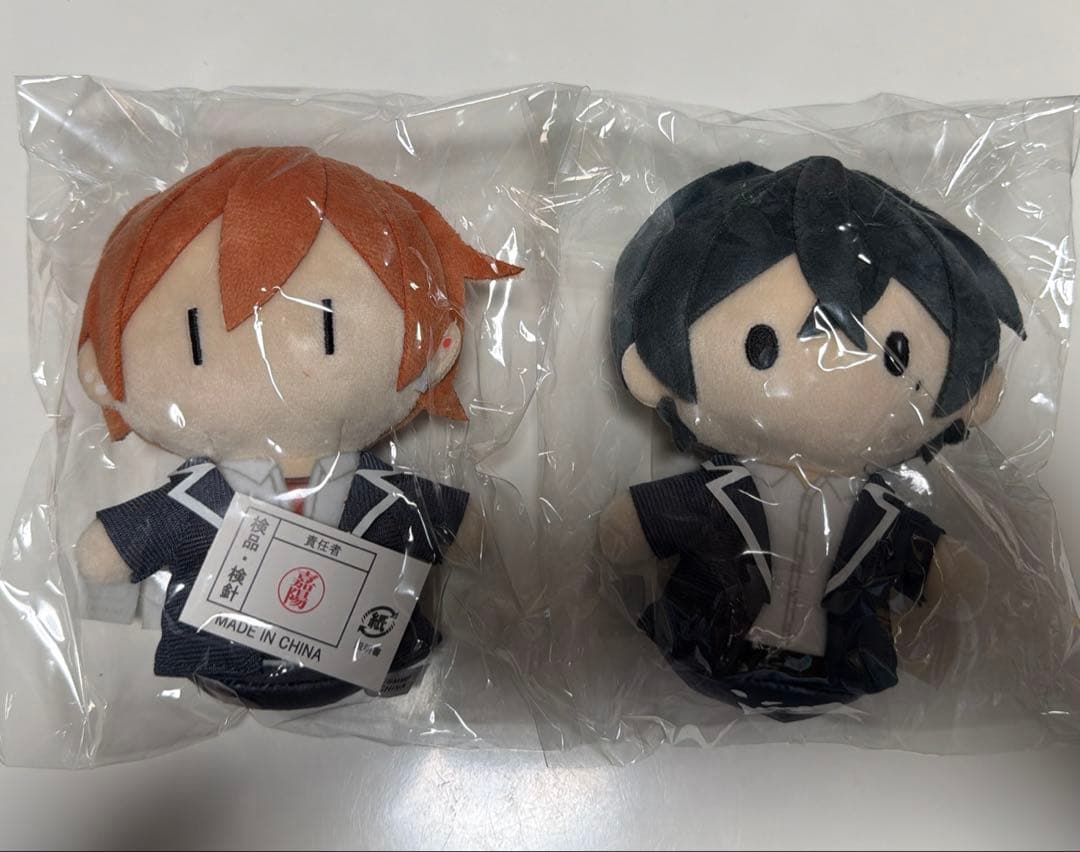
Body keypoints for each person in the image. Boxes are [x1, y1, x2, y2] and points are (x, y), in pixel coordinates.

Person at [74, 147, 522, 710]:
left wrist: (460, 527)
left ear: (439, 346)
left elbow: (455, 525)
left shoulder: (388, 498)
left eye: (326, 327)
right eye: (197, 337)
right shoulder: (192, 504)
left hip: (378, 658)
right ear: (102, 370)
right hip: (219, 664)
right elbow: (116, 549)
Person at [599, 156, 1023, 715]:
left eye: (896, 356)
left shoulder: (880, 516)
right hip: (707, 646)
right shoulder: (718, 496)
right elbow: (644, 522)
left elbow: (926, 557)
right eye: (762, 347)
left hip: (843, 665)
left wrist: (947, 569)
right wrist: (632, 526)